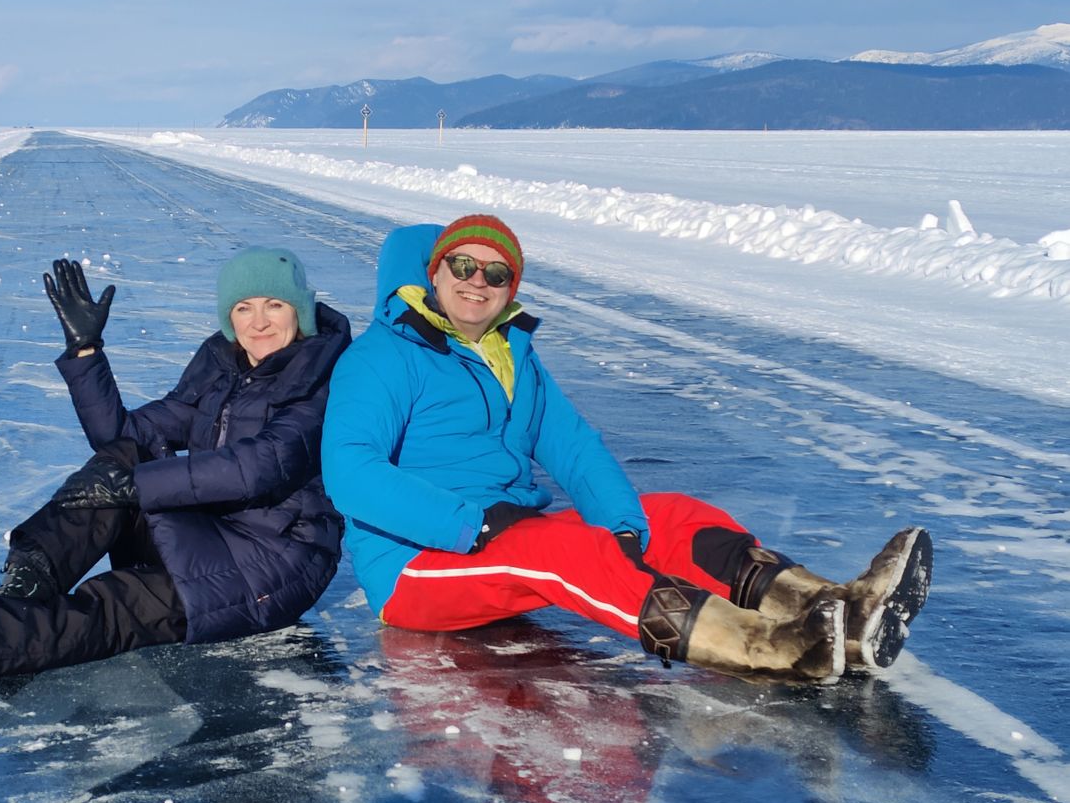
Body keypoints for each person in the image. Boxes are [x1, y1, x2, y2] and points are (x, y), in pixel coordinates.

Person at [320, 214, 931, 681]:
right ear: (434, 273)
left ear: (512, 287)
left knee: (672, 515)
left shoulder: (512, 357)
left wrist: (624, 528)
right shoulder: (381, 358)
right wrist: (472, 526)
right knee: (558, 549)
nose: (477, 282)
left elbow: (574, 447)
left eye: (496, 272)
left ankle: (837, 610)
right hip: (416, 567)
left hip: (500, 536)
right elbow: (349, 471)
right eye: (462, 266)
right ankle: (774, 650)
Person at [0, 247, 352, 683]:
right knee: (122, 460)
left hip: (273, 562)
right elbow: (123, 438)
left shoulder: (326, 378)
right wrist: (86, 354)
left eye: (275, 305)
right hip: (209, 532)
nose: (259, 322)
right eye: (244, 307)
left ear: (299, 310)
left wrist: (135, 486)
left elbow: (259, 466)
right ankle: (22, 593)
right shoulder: (224, 368)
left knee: (118, 606)